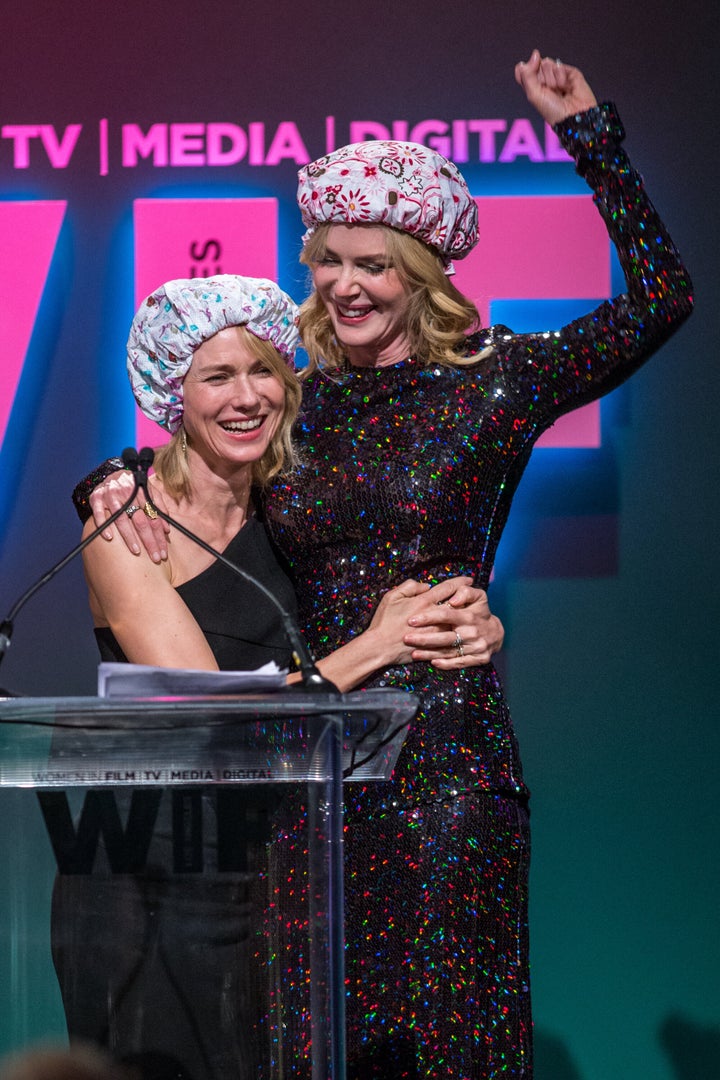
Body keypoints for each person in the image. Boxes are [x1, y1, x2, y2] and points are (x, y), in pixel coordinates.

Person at [77, 51, 693, 1078]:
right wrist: (101, 479)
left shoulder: (497, 382)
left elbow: (663, 298)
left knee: (447, 1046)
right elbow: (185, 459)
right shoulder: (297, 401)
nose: (348, 285)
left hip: (448, 762)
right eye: (330, 261)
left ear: (423, 276)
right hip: (313, 771)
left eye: (377, 264)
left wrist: (594, 141)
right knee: (318, 1045)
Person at [60, 274, 504, 1080]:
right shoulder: (126, 519)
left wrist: (476, 619)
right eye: (216, 376)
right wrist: (377, 645)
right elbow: (218, 717)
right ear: (173, 392)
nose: (246, 397)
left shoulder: (293, 505)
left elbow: (410, 588)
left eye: (263, 370)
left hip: (276, 860)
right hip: (147, 864)